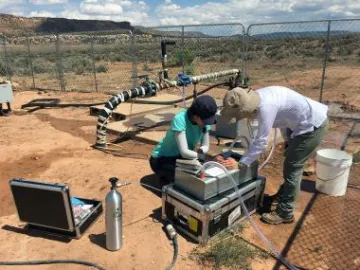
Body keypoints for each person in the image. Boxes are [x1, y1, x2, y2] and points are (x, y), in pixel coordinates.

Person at [218, 86, 328, 225]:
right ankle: (283, 196)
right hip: (298, 125)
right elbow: (285, 117)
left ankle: (285, 212)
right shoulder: (260, 98)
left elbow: (261, 142)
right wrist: (289, 140)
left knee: (293, 168)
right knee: (290, 163)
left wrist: (241, 163)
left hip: (311, 126)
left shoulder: (266, 107)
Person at [149, 95, 218, 184]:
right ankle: (164, 178)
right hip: (161, 159)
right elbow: (184, 151)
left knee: (199, 175)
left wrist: (201, 153)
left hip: (181, 158)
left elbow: (205, 145)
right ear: (196, 117)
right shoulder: (180, 119)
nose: (207, 124)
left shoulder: (203, 121)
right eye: (206, 122)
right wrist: (200, 157)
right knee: (185, 180)